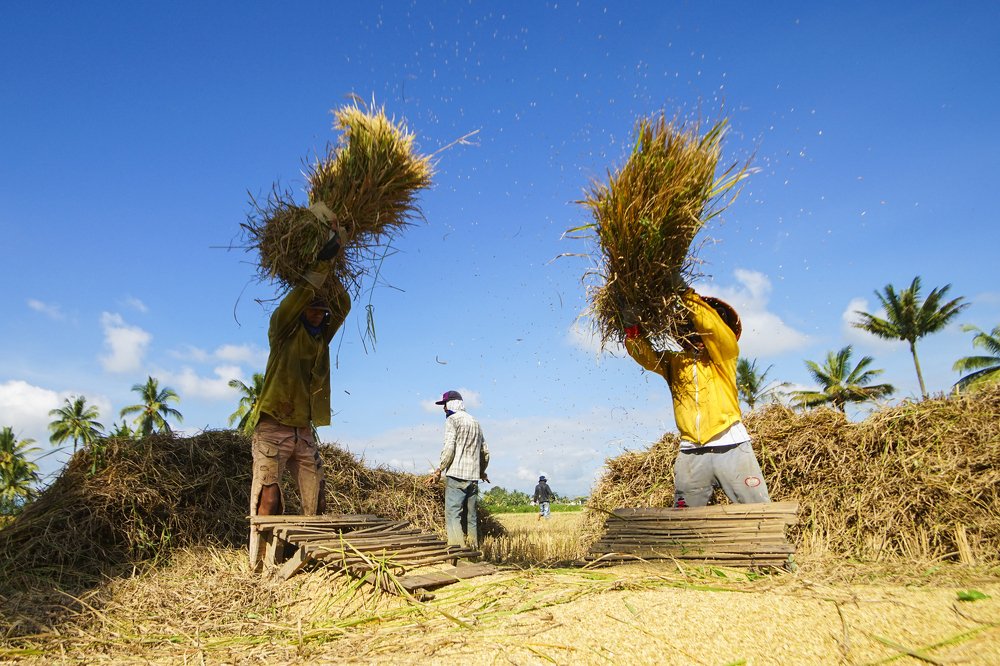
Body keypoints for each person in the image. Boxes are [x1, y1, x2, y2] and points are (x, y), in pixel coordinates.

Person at [623, 288, 770, 508]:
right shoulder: (675, 362)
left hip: (731, 444)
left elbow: (713, 328)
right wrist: (632, 329)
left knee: (757, 510)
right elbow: (646, 356)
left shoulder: (725, 356)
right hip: (691, 451)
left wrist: (686, 295)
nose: (698, 334)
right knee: (684, 519)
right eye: (691, 329)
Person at [249, 227, 350, 517]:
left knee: (316, 501)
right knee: (268, 501)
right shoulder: (282, 332)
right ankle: (263, 563)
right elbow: (297, 298)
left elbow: (343, 304)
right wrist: (320, 263)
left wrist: (334, 263)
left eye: (322, 310)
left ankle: (312, 554)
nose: (317, 313)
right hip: (272, 428)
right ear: (301, 309)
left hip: (303, 430)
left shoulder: (321, 339)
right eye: (311, 309)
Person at [430, 390, 490, 548]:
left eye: (444, 405)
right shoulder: (475, 422)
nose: (443, 409)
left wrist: (439, 470)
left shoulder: (452, 420)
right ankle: (473, 551)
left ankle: (458, 552)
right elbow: (485, 451)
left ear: (451, 404)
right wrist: (482, 471)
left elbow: (449, 448)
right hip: (473, 478)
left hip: (456, 475)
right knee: (471, 517)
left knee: (453, 515)